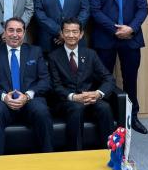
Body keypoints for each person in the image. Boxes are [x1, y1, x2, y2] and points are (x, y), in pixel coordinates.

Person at [88, 0, 148, 134]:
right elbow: (94, 10)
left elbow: (143, 8)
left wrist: (131, 28)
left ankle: (132, 117)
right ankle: (108, 118)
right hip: (105, 38)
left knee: (130, 79)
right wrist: (116, 29)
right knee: (104, 79)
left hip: (131, 38)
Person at [0, 17, 53, 155]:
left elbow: (45, 80)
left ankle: (47, 159)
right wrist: (4, 97)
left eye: (19, 31)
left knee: (42, 111)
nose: (15, 34)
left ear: (24, 33)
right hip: (3, 103)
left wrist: (27, 96)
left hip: (30, 101)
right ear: (4, 32)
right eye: (11, 30)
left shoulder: (35, 52)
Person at [48, 18, 115, 150]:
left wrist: (97, 94)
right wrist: (73, 97)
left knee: (105, 107)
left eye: (75, 32)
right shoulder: (53, 56)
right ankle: (75, 153)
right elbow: (56, 86)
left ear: (81, 34)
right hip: (66, 101)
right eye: (67, 31)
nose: (71, 35)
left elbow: (108, 78)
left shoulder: (90, 54)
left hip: (89, 98)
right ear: (61, 33)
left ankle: (110, 151)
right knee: (77, 108)